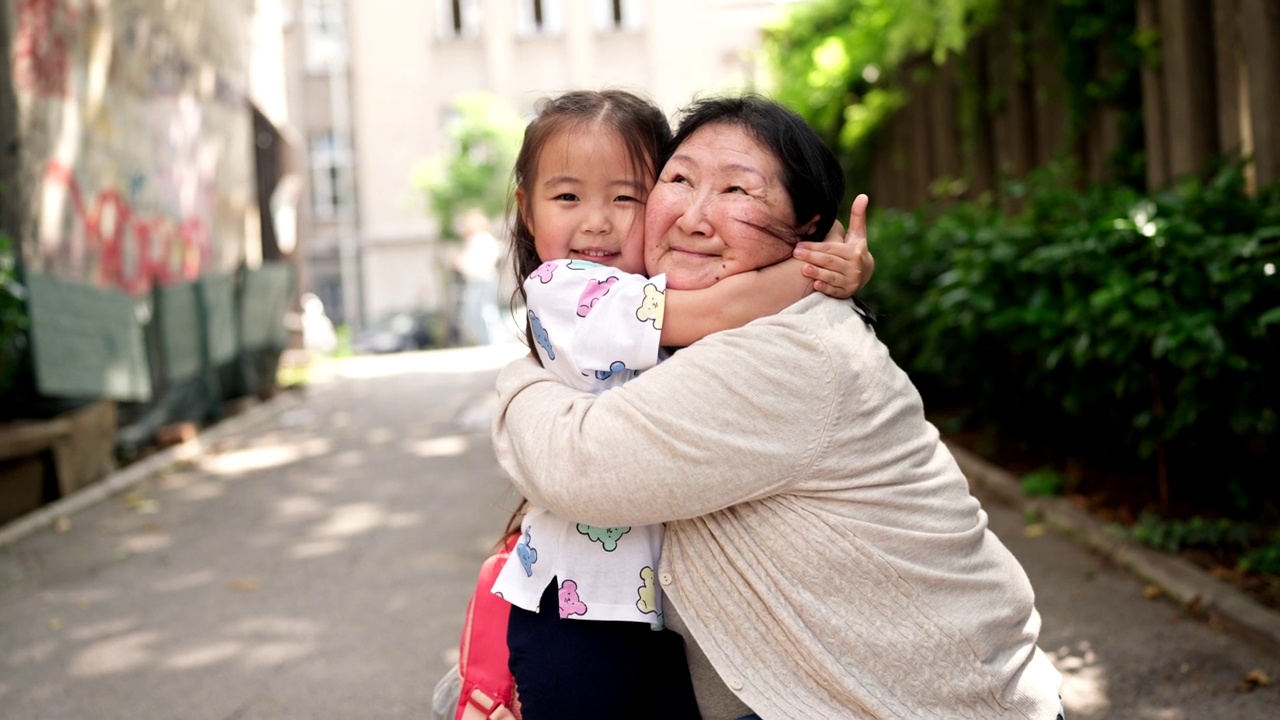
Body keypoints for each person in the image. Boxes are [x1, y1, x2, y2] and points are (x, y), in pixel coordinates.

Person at [491, 95, 1066, 720]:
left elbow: (576, 465)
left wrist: (520, 380)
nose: (694, 216)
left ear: (807, 225)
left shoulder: (790, 351)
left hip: (925, 704)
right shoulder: (643, 312)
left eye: (739, 190)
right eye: (679, 180)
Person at [489, 89, 872, 720]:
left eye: (626, 198)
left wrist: (828, 256)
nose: (597, 222)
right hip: (577, 607)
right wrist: (822, 264)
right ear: (527, 213)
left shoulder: (657, 287)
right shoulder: (567, 289)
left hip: (660, 611)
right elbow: (728, 308)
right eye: (567, 197)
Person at [453, 209, 504, 345]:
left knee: (485, 310)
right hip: (477, 280)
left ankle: (494, 340)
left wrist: (462, 263)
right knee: (475, 311)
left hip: (483, 279)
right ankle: (487, 340)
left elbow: (479, 261)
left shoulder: (482, 239)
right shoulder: (475, 240)